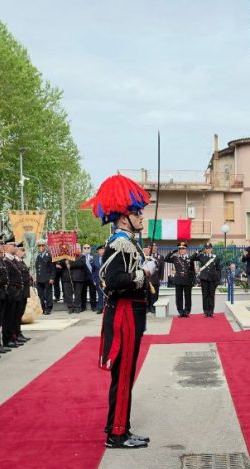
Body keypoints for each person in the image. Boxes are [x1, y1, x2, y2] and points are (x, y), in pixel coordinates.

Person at [91, 174, 153, 449]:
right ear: (124, 217)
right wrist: (142, 272)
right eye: (137, 213)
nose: (141, 217)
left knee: (126, 374)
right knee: (124, 373)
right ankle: (117, 433)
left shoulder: (128, 242)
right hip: (125, 314)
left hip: (132, 313)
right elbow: (110, 281)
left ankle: (121, 428)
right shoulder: (120, 243)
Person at [165, 242, 195, 317]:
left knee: (188, 297)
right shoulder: (175, 258)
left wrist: (193, 280)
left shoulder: (190, 258)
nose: (182, 250)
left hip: (187, 279)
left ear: (186, 250)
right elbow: (166, 259)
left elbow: (193, 270)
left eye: (183, 249)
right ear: (178, 250)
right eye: (180, 249)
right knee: (179, 297)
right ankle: (181, 312)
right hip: (178, 279)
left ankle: (187, 311)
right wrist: (173, 251)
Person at [192, 243, 221, 317]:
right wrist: (199, 251)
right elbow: (192, 258)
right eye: (206, 248)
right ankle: (205, 311)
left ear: (211, 249)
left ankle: (211, 311)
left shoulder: (216, 257)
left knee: (211, 295)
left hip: (212, 279)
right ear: (205, 249)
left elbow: (218, 269)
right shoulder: (201, 256)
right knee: (205, 295)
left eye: (209, 248)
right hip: (204, 278)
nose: (207, 250)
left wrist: (218, 279)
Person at [34, 240, 54, 314]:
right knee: (40, 294)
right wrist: (36, 276)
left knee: (48, 294)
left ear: (45, 246)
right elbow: (37, 267)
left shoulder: (49, 255)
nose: (41, 247)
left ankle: (48, 308)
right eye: (39, 246)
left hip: (47, 278)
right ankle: (42, 308)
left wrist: (52, 278)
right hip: (39, 278)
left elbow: (53, 268)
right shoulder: (38, 256)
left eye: (42, 245)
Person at [92, 245, 106, 314]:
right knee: (100, 294)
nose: (102, 251)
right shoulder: (95, 259)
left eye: (103, 250)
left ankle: (106, 308)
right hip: (97, 280)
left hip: (105, 280)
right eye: (101, 250)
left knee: (106, 294)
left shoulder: (107, 258)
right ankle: (100, 308)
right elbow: (93, 271)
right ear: (98, 251)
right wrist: (94, 280)